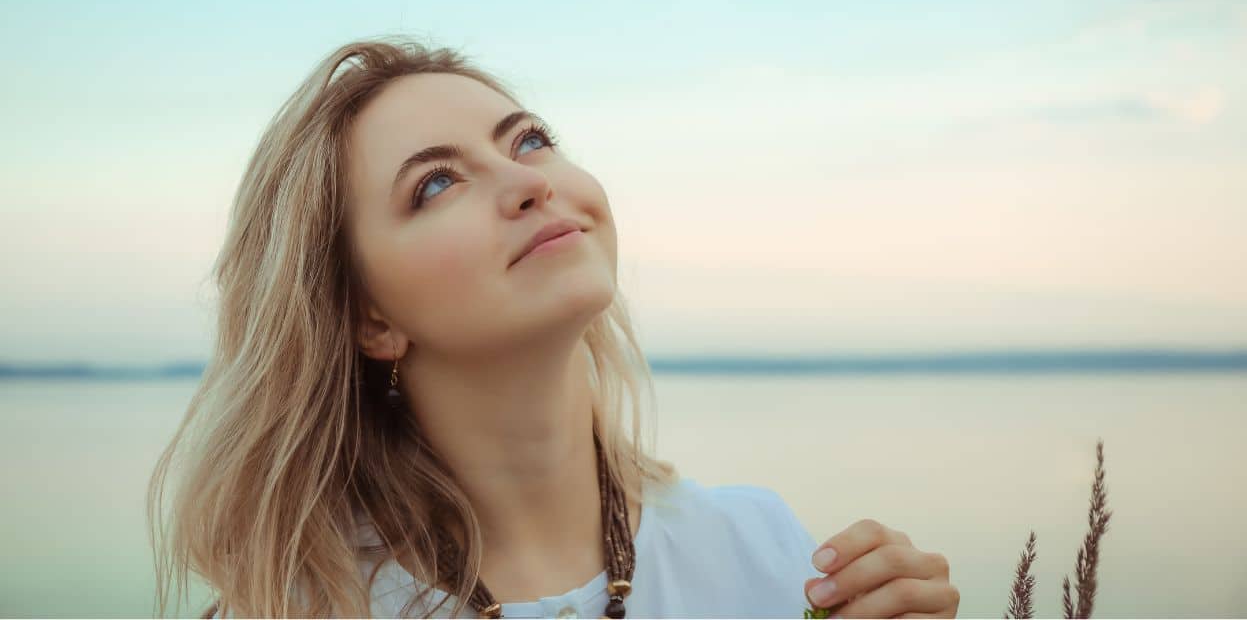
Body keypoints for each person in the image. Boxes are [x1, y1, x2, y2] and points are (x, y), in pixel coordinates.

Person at [147, 35, 821, 618]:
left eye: (529, 141)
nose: (529, 182)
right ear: (368, 317)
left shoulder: (767, 553)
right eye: (437, 183)